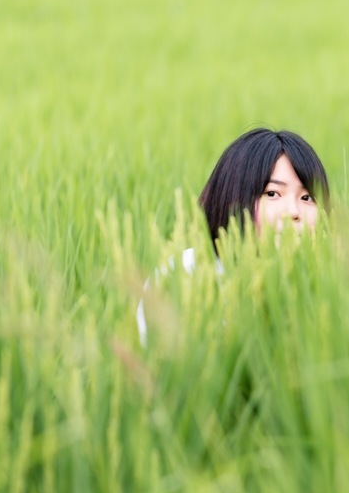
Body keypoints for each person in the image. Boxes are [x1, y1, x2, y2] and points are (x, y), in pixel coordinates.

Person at [136, 128, 330, 345]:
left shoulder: (330, 284)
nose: (293, 211)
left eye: (307, 197)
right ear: (234, 197)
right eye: (272, 194)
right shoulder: (187, 274)